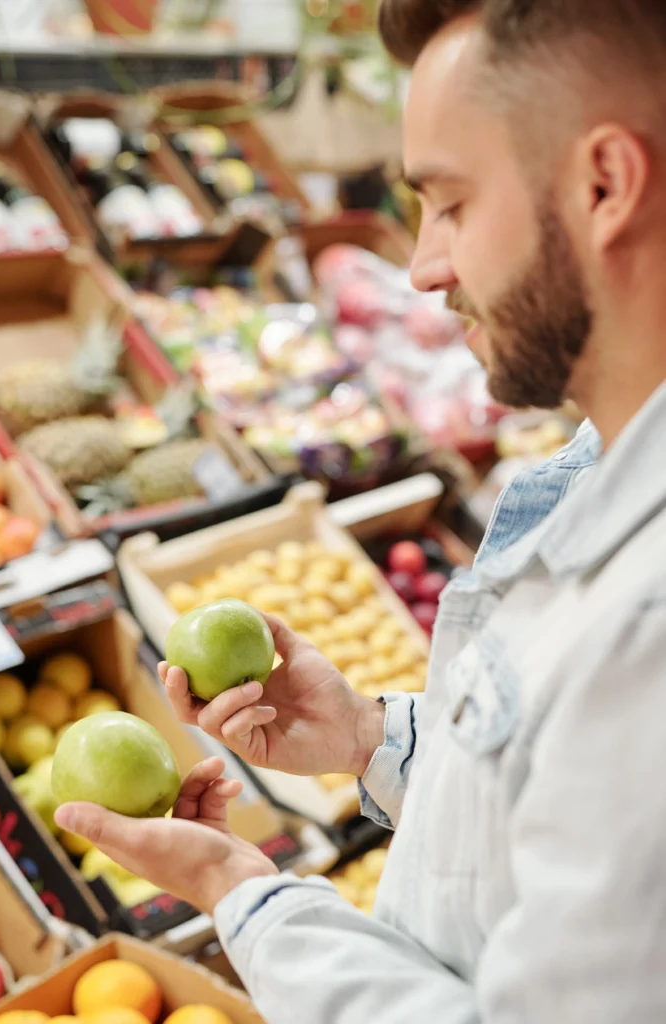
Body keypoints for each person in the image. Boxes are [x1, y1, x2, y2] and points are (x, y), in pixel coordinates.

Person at [56, 1, 666, 1019]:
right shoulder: (595, 473)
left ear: (605, 184)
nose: (423, 266)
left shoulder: (647, 623)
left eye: (452, 203)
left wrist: (238, 892)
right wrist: (375, 738)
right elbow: (548, 814)